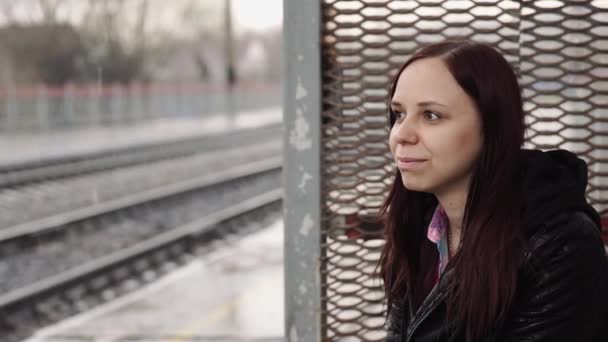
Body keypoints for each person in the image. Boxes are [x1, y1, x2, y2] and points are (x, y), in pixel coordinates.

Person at [378, 40, 608, 342]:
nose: (401, 135)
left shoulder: (557, 246)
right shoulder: (420, 223)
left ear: (491, 126)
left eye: (431, 115)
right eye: (398, 114)